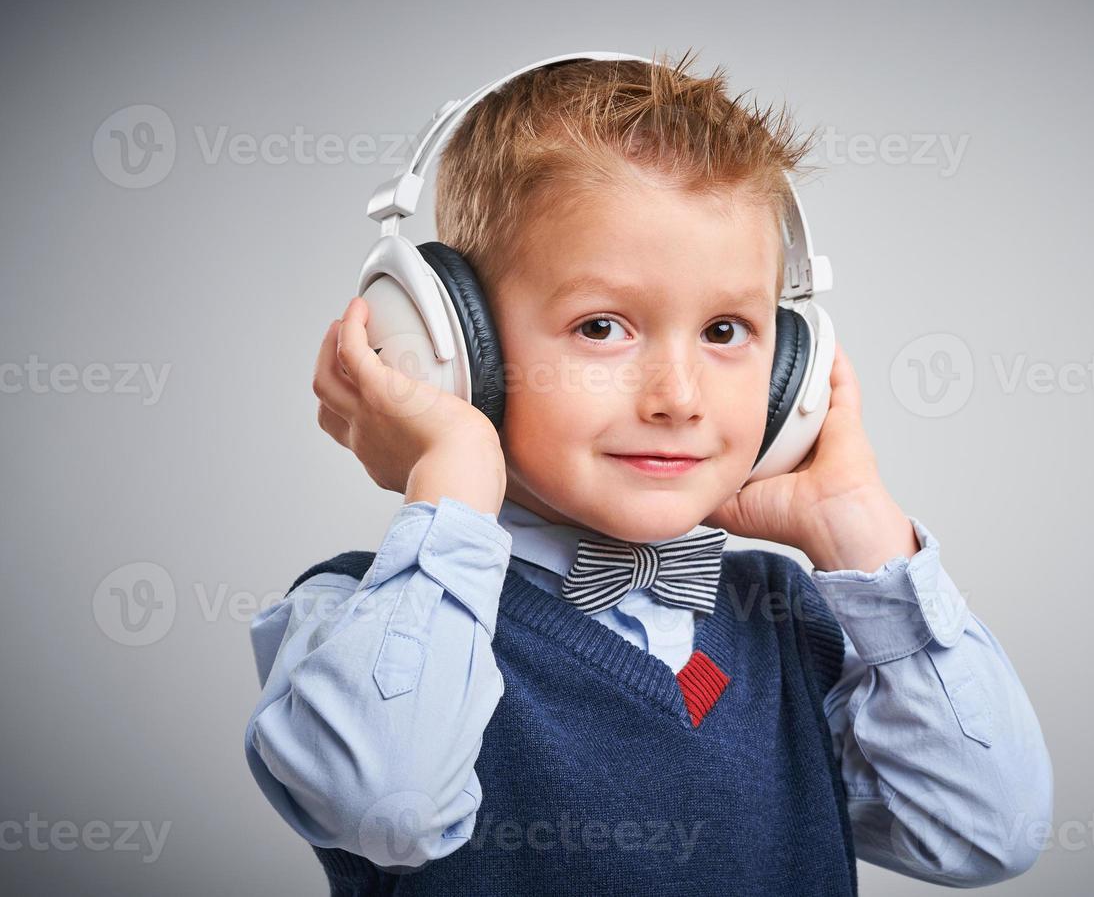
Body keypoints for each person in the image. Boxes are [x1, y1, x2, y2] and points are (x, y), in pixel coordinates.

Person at [243, 51, 1052, 894]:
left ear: (794, 373)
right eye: (600, 327)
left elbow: (991, 831)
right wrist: (450, 477)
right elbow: (391, 804)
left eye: (727, 332)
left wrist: (857, 521)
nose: (679, 397)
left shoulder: (786, 621)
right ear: (451, 344)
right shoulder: (360, 617)